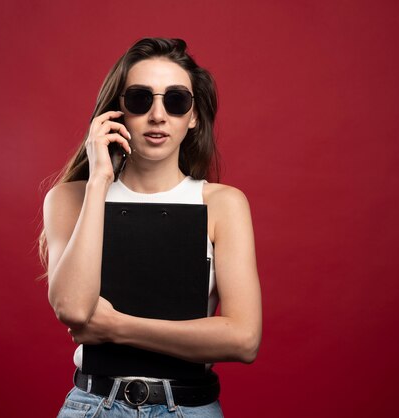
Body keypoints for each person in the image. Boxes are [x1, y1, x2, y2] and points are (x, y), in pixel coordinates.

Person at [40, 37, 262, 417]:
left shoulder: (222, 204)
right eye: (141, 99)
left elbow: (243, 339)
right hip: (93, 405)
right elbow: (74, 310)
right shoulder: (70, 198)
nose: (158, 115)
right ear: (117, 112)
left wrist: (116, 326)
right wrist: (98, 182)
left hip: (188, 407)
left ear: (193, 117)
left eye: (176, 101)